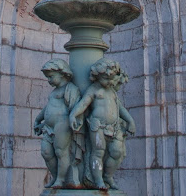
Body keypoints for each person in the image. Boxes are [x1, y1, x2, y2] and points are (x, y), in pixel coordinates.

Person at [69, 59, 135, 190]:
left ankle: (107, 176)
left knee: (117, 152)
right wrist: (73, 115)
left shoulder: (111, 91)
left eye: (111, 78)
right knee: (98, 153)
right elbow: (83, 104)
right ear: (97, 76)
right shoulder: (93, 89)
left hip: (114, 127)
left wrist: (130, 121)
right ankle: (98, 180)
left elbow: (120, 108)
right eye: (106, 78)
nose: (110, 81)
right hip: (98, 127)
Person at [34, 59, 81, 189]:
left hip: (62, 125)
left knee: (61, 152)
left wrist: (73, 119)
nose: (49, 80)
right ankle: (56, 176)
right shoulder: (54, 91)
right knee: (46, 152)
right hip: (48, 127)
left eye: (51, 77)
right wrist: (38, 119)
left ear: (62, 73)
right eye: (48, 77)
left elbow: (75, 107)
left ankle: (60, 179)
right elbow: (48, 107)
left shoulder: (70, 89)